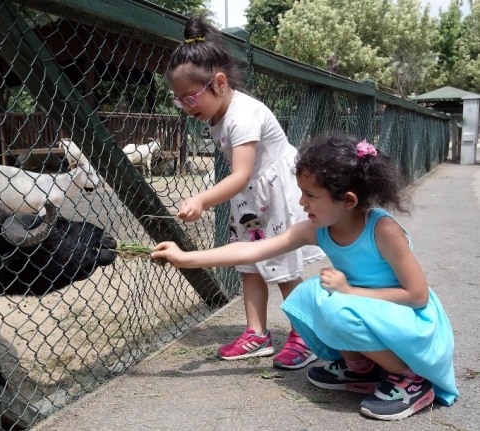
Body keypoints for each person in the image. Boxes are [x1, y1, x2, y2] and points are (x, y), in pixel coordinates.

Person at [151, 134, 458, 420]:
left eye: (310, 195)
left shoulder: (383, 230)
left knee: (336, 305)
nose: (301, 203)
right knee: (309, 295)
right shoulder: (318, 228)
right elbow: (252, 251)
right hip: (370, 310)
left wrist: (350, 291)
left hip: (413, 323)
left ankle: (410, 379)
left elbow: (417, 296)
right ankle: (362, 369)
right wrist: (185, 258)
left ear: (348, 201)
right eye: (301, 193)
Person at [164, 13, 324, 369]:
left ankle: (306, 335)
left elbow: (240, 174)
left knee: (283, 268)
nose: (186, 107)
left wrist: (202, 200)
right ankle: (257, 334)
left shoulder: (243, 116)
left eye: (189, 99)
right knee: (248, 265)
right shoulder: (215, 115)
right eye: (179, 101)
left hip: (273, 191)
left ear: (219, 83)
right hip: (252, 197)